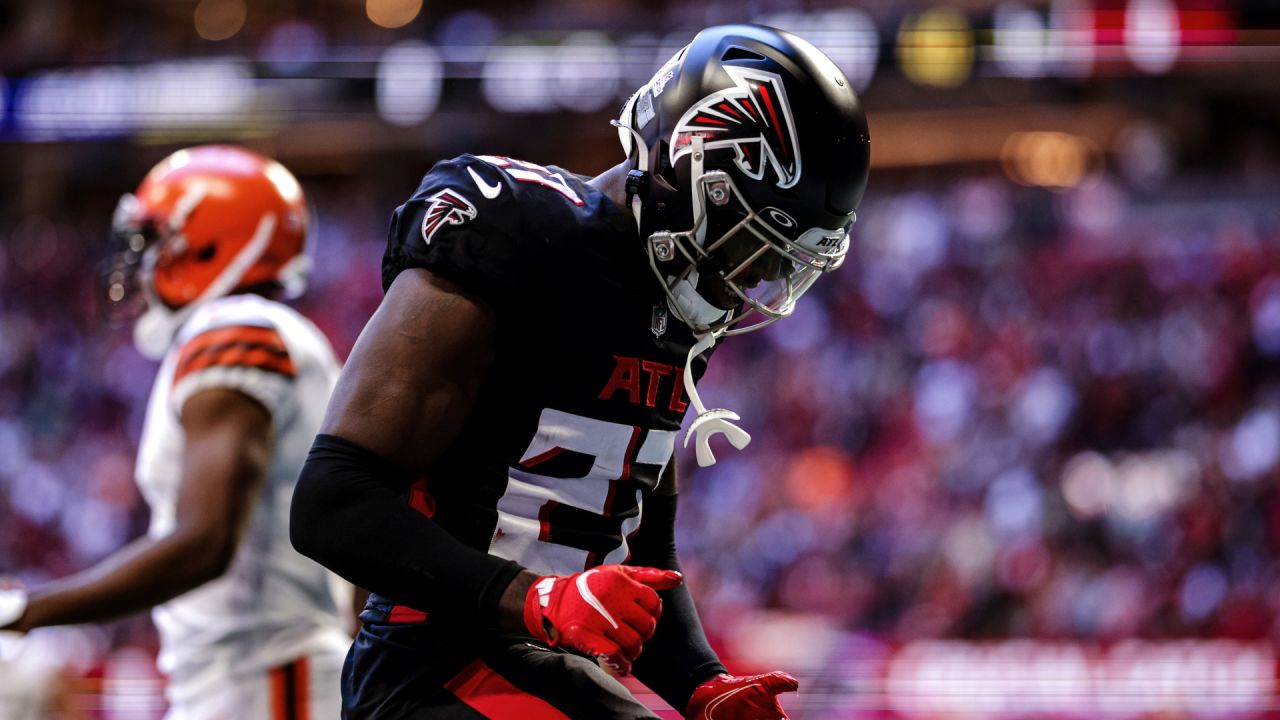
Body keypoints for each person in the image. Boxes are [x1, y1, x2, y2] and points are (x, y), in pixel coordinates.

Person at [290, 23, 870, 720]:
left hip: (541, 668)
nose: (756, 283)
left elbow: (638, 549)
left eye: (782, 266)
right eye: (751, 246)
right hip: (433, 670)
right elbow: (331, 503)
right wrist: (533, 599)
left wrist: (702, 685)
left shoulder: (674, 298)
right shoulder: (516, 228)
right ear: (688, 170)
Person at [0, 145, 354, 720]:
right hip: (252, 677)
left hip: (267, 677)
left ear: (210, 242)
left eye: (154, 240)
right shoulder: (271, 332)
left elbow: (204, 544)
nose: (142, 263)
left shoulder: (235, 328)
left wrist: (26, 611)